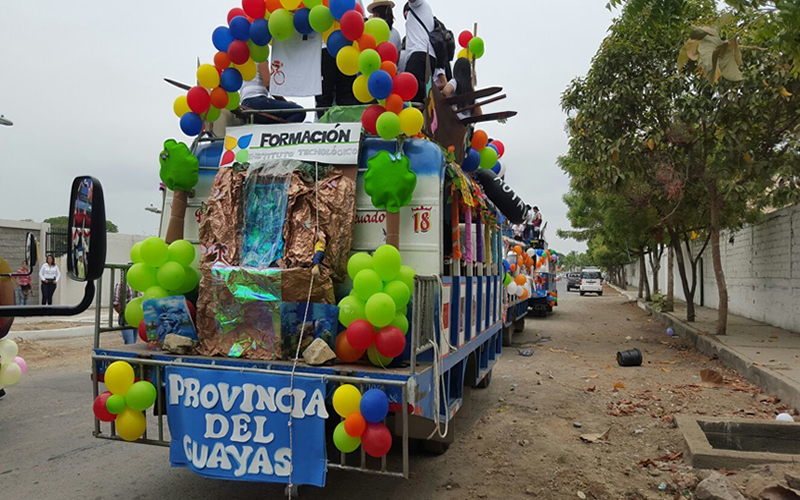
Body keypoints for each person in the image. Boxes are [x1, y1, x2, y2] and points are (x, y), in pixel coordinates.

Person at [240, 61, 306, 124]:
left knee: (277, 119)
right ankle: (280, 133)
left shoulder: (243, 61)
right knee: (299, 111)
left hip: (245, 103)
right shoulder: (260, 58)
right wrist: (284, 102)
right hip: (257, 101)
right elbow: (268, 84)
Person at [403, 0, 437, 103]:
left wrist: (410, 6)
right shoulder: (423, 14)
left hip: (419, 53)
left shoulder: (419, 5)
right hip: (428, 55)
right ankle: (432, 93)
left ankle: (434, 93)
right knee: (417, 94)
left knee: (407, 87)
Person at [114, 281, 137, 345]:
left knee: (132, 343)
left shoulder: (138, 284)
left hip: (136, 318)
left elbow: (116, 303)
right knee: (130, 343)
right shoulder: (121, 285)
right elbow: (116, 303)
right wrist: (123, 313)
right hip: (127, 318)